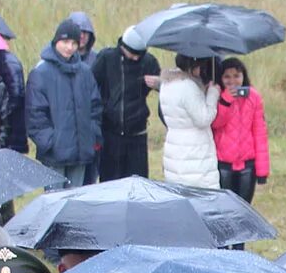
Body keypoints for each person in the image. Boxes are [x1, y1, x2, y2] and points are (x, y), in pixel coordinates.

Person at [26, 19, 102, 189]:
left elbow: (95, 107)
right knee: (53, 204)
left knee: (76, 204)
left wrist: (92, 136)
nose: (70, 47)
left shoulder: (85, 72)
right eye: (66, 42)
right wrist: (50, 142)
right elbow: (35, 115)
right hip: (55, 154)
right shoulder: (41, 73)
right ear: (56, 41)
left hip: (81, 151)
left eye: (74, 43)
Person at [92, 27, 160, 181]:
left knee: (139, 182)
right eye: (133, 54)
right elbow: (90, 86)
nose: (136, 58)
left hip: (137, 134)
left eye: (139, 55)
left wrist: (159, 84)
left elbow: (168, 90)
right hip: (111, 133)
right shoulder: (106, 58)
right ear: (123, 47)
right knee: (110, 183)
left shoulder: (149, 61)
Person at [213, 57, 270, 204]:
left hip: (247, 165)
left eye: (237, 76)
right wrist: (225, 101)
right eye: (227, 77)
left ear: (243, 76)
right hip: (223, 163)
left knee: (244, 208)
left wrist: (262, 170)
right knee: (225, 207)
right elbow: (215, 124)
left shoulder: (254, 97)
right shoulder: (216, 96)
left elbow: (260, 133)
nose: (232, 81)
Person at [158, 55, 220, 189]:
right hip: (194, 153)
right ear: (193, 66)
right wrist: (213, 94)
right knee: (202, 197)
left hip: (175, 147)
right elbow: (203, 119)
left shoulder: (167, 83)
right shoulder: (188, 86)